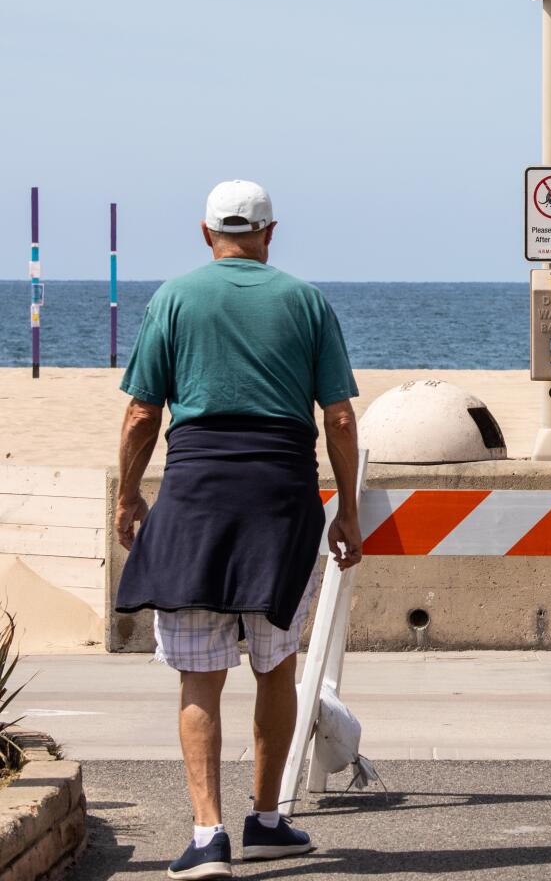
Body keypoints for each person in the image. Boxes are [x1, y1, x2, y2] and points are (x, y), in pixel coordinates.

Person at [112, 180, 362, 879]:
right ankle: (268, 821)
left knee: (199, 678)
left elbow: (140, 415)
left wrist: (129, 496)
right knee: (275, 663)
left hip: (195, 502)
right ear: (269, 234)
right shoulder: (307, 301)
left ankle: (206, 836)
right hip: (281, 504)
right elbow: (338, 418)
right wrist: (347, 507)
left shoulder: (173, 297)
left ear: (205, 233)